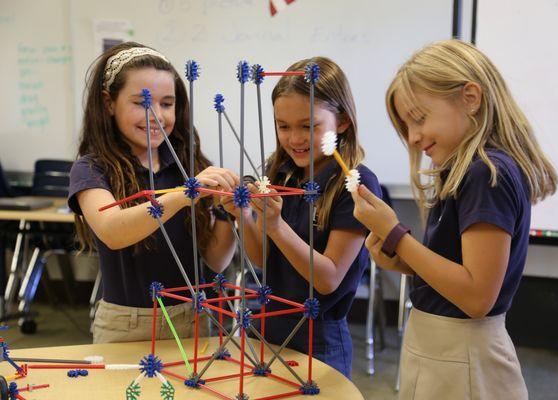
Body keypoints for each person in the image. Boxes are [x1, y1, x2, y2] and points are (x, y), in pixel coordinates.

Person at [352, 39, 558, 399]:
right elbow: (454, 274)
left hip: (463, 357)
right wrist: (401, 260)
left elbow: (477, 296)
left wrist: (396, 234)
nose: (414, 138)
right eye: (406, 126)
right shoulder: (464, 173)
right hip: (440, 349)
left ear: (470, 97)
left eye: (419, 119)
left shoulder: (485, 174)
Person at [221, 57, 381, 379]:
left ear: (343, 122)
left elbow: (328, 279)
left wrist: (277, 227)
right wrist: (243, 216)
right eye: (283, 126)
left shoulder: (355, 182)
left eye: (309, 126)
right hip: (267, 328)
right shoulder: (278, 172)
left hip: (319, 340)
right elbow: (261, 258)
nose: (295, 138)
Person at [68, 42, 239, 343]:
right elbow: (112, 230)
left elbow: (215, 260)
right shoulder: (92, 168)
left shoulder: (191, 166)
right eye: (141, 103)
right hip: (125, 326)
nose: (156, 115)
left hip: (192, 319)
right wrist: (182, 195)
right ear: (108, 103)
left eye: (167, 103)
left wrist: (229, 210)